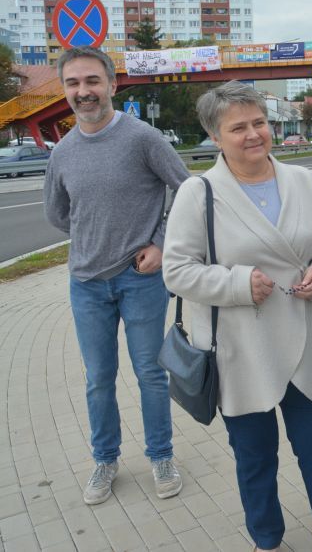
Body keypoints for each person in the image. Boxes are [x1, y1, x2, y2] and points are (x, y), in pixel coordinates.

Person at [161, 82, 312, 552]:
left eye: (259, 123)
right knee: (254, 458)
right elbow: (176, 270)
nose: (254, 134)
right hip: (241, 349)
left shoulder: (302, 181)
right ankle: (266, 540)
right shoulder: (200, 192)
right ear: (216, 136)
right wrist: (236, 284)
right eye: (238, 127)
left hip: (303, 341)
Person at [44, 46, 188, 506]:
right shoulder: (62, 153)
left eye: (91, 81)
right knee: (97, 377)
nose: (83, 92)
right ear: (65, 90)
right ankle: (105, 460)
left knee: (150, 373)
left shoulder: (143, 138)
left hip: (140, 278)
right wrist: (95, 239)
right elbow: (59, 215)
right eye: (73, 83)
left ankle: (161, 455)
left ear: (111, 84)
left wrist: (161, 243)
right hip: (86, 283)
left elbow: (187, 190)